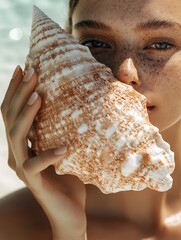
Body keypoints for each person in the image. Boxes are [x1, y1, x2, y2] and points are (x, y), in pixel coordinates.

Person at [0, 0, 181, 239]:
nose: (124, 73)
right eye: (96, 43)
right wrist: (69, 231)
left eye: (160, 44)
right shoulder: (10, 225)